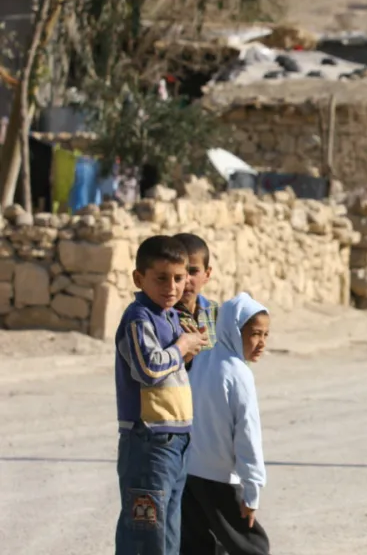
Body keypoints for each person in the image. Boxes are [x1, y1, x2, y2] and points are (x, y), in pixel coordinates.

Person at [114, 235, 210, 555]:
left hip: (175, 440)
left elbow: (168, 369)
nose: (172, 287)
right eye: (161, 278)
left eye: (179, 278)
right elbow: (148, 369)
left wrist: (189, 348)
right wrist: (182, 346)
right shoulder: (138, 317)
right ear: (139, 279)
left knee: (168, 533)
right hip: (148, 442)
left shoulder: (169, 316)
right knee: (146, 535)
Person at [182, 292, 271, 555]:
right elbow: (247, 435)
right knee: (252, 546)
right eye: (255, 334)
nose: (262, 342)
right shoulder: (238, 372)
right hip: (221, 480)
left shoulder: (200, 360)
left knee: (198, 546)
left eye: (265, 335)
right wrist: (252, 488)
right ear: (233, 329)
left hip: (190, 475)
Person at [173, 233, 219, 369]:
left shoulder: (215, 313)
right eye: (180, 272)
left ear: (207, 274)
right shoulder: (160, 315)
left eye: (193, 271)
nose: (186, 280)